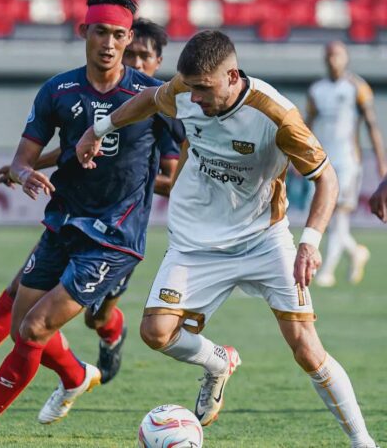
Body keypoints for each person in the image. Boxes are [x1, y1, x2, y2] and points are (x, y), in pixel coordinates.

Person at [76, 30, 378, 448]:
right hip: (195, 239)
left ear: (232, 75)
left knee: (307, 349)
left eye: (204, 89)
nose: (194, 99)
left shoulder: (277, 116)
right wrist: (101, 127)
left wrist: (310, 241)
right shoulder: (185, 89)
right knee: (155, 333)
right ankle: (218, 362)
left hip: (263, 240)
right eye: (191, 88)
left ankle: (363, 442)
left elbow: (326, 177)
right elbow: (148, 101)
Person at [0, 0, 181, 441]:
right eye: (102, 33)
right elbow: (23, 158)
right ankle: (76, 375)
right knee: (22, 325)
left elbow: (179, 166)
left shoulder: (154, 96)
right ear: (85, 31)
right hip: (61, 223)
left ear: (129, 36)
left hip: (114, 237)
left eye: (120, 36)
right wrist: (23, 175)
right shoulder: (58, 90)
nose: (111, 44)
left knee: (36, 326)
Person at [307, 41, 386, 287]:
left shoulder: (357, 87)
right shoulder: (316, 90)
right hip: (322, 161)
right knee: (327, 215)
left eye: (338, 55)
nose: (333, 60)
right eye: (329, 55)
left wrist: (381, 162)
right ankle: (355, 252)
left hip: (348, 160)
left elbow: (372, 125)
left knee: (338, 214)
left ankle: (327, 271)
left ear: (346, 58)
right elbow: (306, 126)